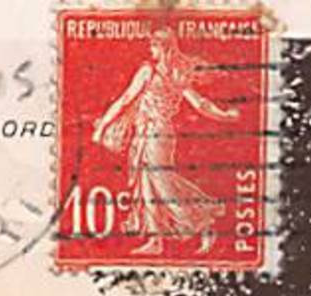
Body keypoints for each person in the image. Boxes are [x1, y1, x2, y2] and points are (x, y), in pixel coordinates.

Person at [90, 27, 242, 255]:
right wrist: (225, 115)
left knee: (161, 184)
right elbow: (200, 104)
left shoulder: (148, 71)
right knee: (153, 183)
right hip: (157, 132)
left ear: (164, 47)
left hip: (153, 133)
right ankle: (156, 240)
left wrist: (102, 127)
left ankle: (200, 224)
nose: (151, 50)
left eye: (154, 45)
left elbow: (125, 100)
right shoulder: (177, 74)